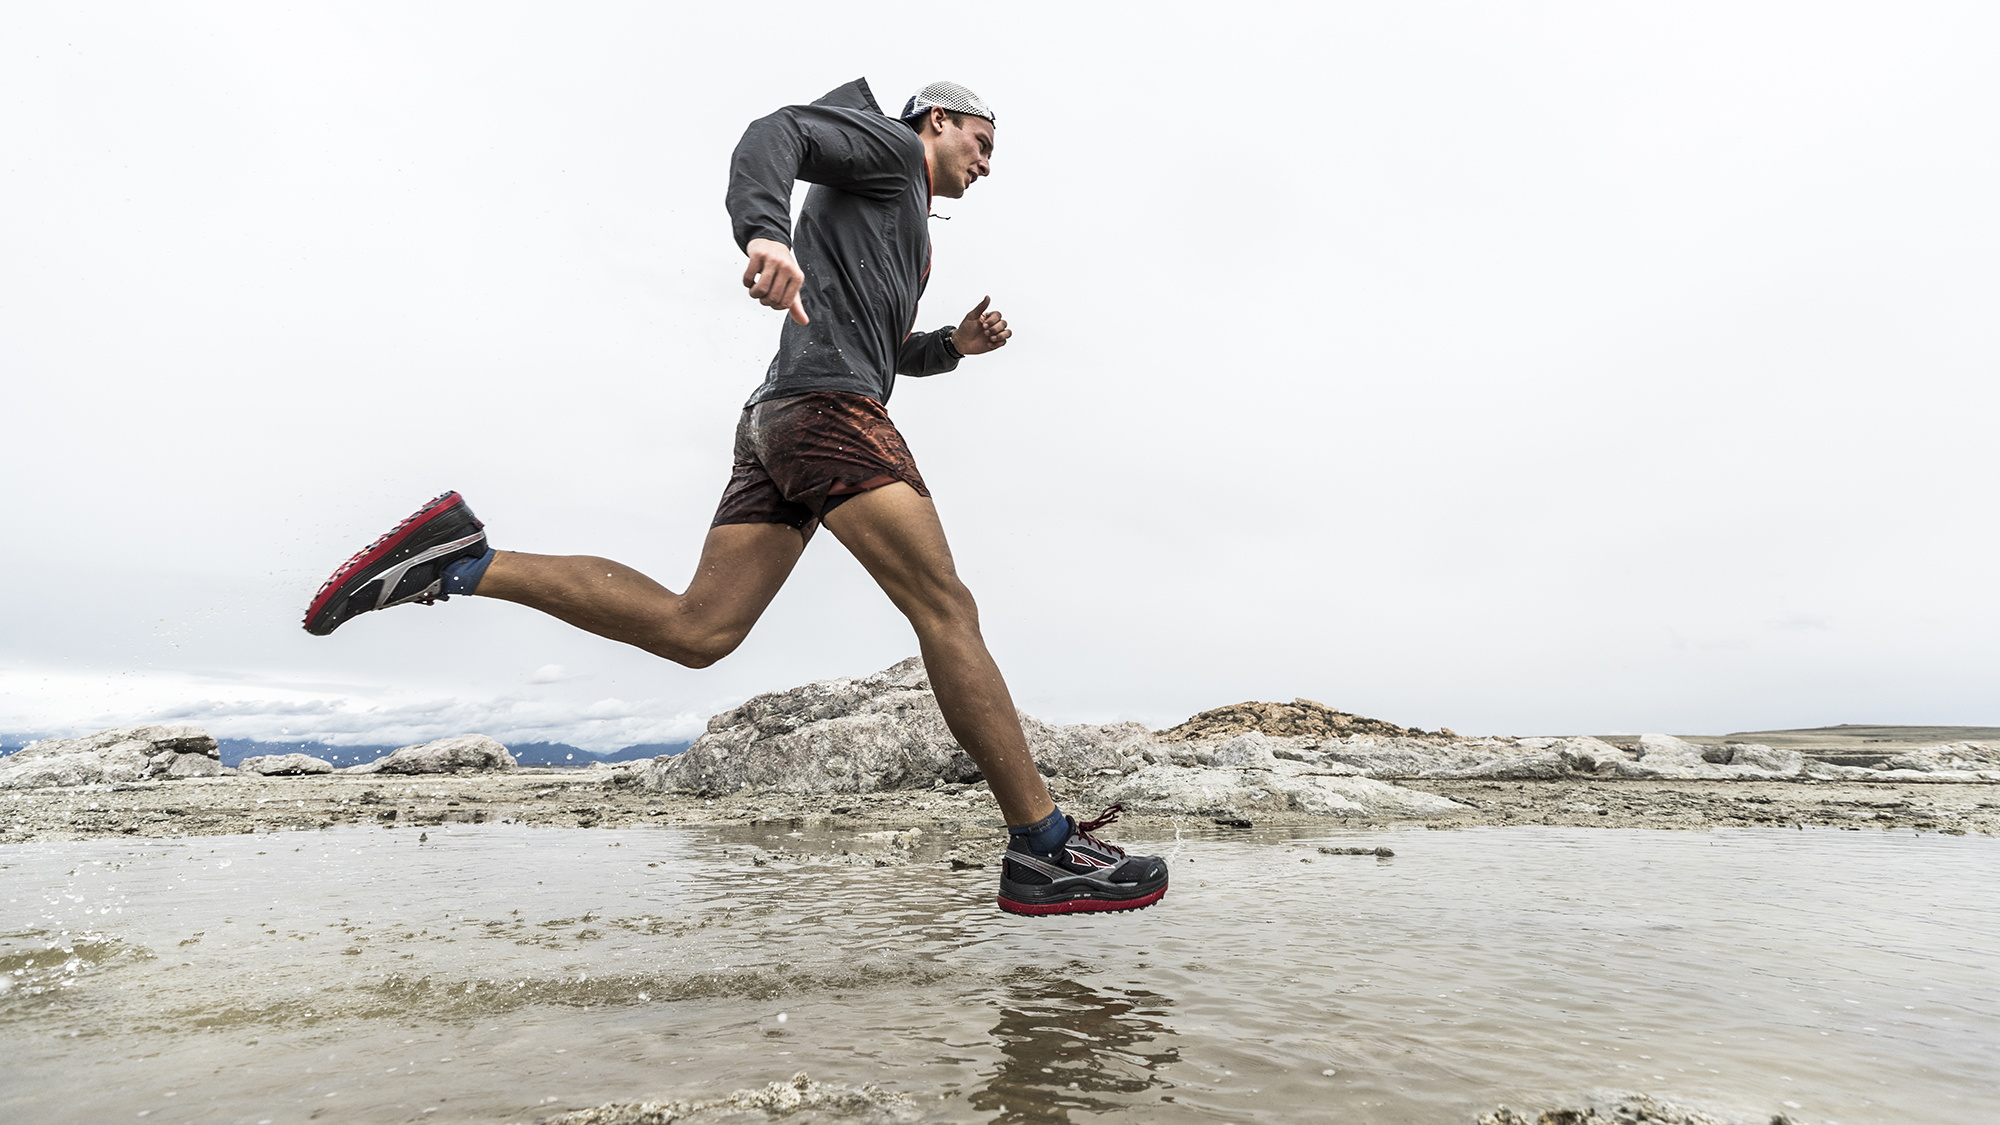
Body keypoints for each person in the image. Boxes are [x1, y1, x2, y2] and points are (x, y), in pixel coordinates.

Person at [302, 79, 1167, 916]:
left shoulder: (898, 213)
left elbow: (882, 340)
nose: (987, 165)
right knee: (946, 607)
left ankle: (463, 561)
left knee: (698, 628)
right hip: (829, 411)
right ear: (939, 120)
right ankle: (1043, 845)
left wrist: (954, 345)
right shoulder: (890, 150)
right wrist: (764, 233)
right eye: (983, 144)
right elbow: (776, 131)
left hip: (781, 418)